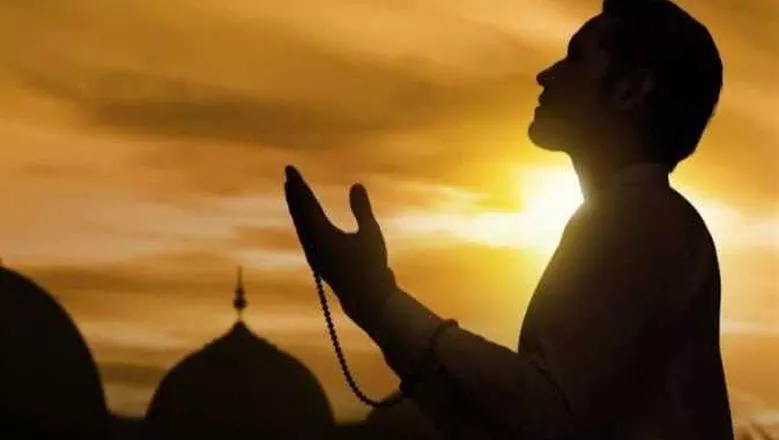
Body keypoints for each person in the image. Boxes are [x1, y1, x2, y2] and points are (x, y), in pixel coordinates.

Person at [284, 0, 734, 437]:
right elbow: (516, 422)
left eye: (575, 58)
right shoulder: (639, 220)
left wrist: (376, 299)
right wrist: (372, 300)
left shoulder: (639, 221)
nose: (546, 74)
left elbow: (546, 414)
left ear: (631, 90)